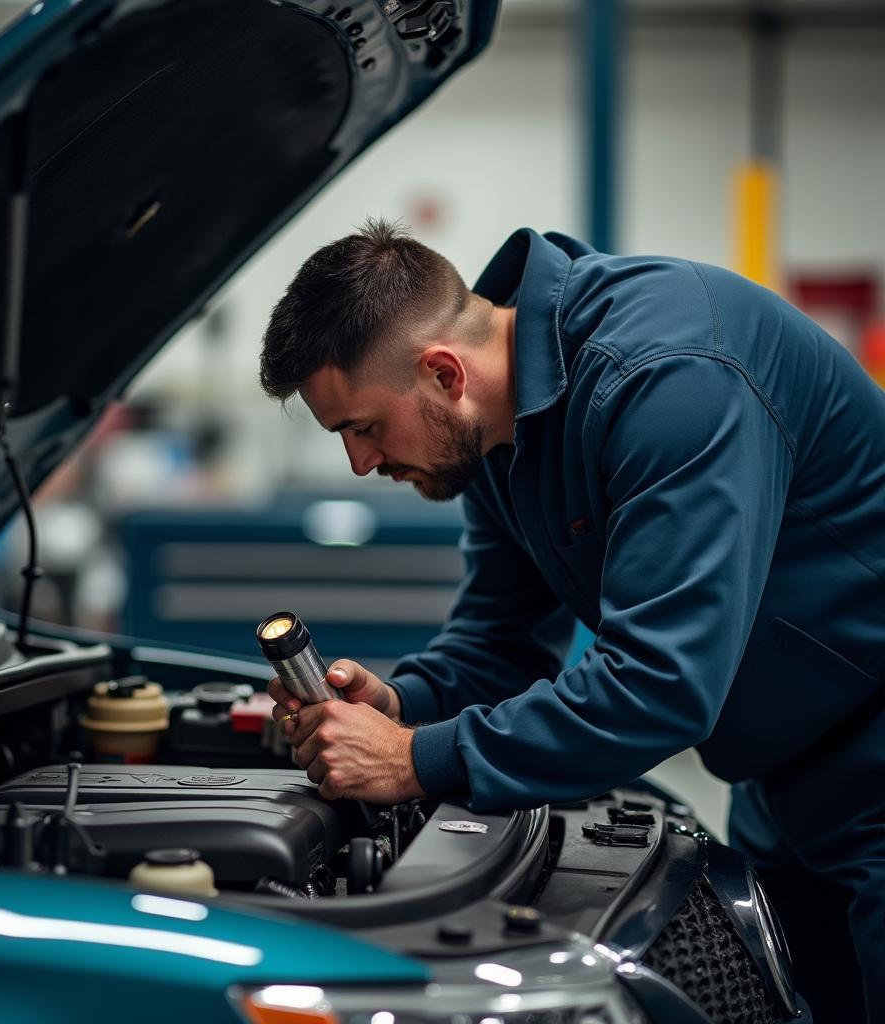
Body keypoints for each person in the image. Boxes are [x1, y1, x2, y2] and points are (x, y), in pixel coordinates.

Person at [259, 219, 885, 1021]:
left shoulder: (671, 381)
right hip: (785, 772)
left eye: (365, 428)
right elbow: (499, 642)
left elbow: (660, 684)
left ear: (444, 372)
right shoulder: (495, 435)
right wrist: (402, 707)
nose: (361, 465)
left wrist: (417, 759)